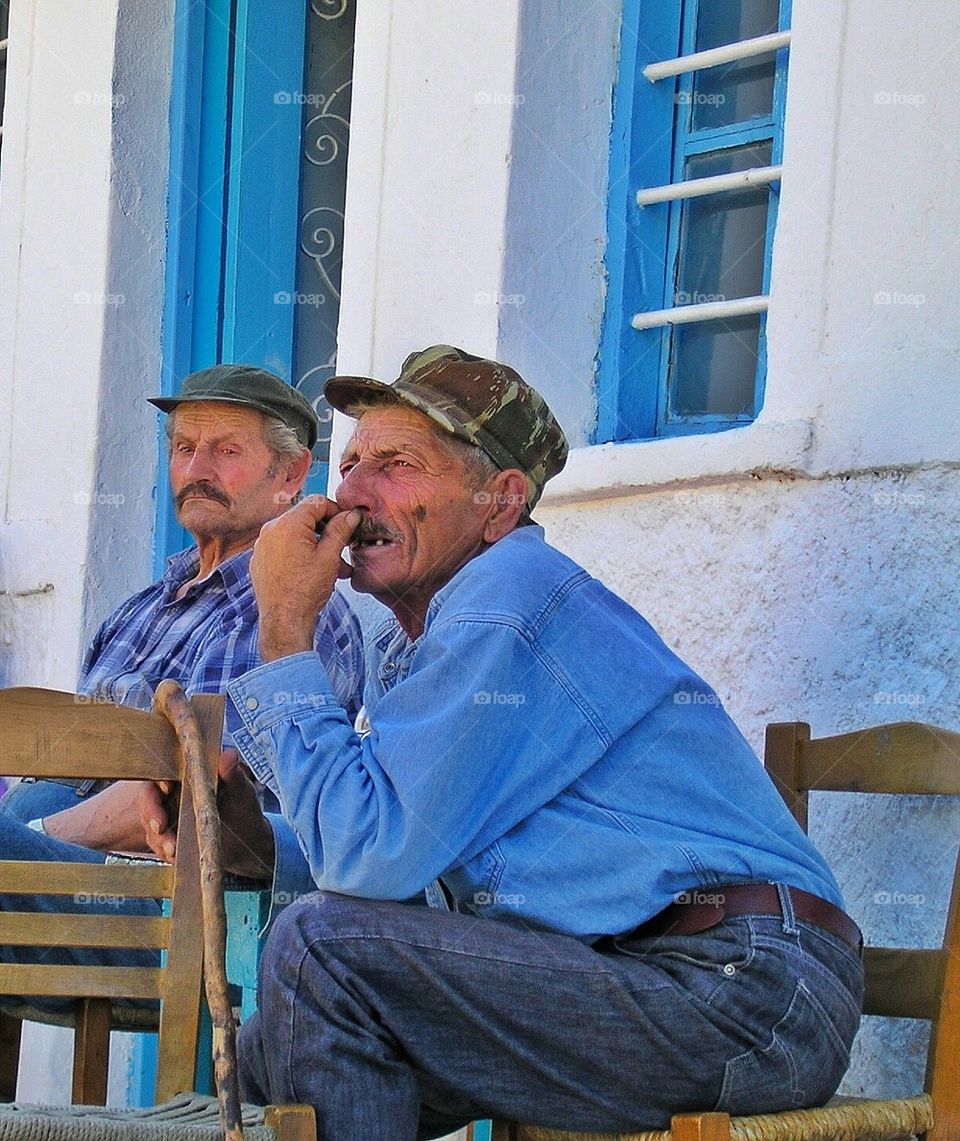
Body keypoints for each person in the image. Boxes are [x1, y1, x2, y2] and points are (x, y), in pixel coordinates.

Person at [147, 346, 863, 1138]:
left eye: (397, 465)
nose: (351, 493)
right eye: (350, 464)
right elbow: (402, 864)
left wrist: (284, 628)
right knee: (267, 1055)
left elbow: (368, 860)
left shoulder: (507, 599)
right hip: (646, 975)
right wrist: (254, 837)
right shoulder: (417, 638)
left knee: (318, 952)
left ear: (501, 502)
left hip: (743, 989)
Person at [0, 364, 363, 995]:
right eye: (184, 448)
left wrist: (33, 838)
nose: (197, 469)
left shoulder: (294, 610)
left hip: (176, 919)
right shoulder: (137, 611)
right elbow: (67, 767)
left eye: (227, 451)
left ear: (290, 474)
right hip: (56, 889)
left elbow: (201, 800)